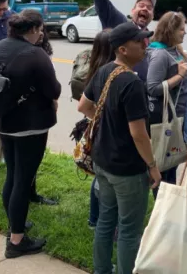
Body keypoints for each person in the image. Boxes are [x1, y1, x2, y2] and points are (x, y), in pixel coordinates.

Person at [77, 23, 162, 274]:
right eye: (140, 42)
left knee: (106, 220)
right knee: (129, 230)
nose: (145, 45)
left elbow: (83, 105)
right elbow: (139, 134)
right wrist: (153, 166)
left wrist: (106, 125)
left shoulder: (104, 70)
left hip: (103, 161)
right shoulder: (131, 83)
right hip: (127, 169)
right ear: (123, 49)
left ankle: (102, 270)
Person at [0, 10, 61, 258]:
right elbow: (54, 89)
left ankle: (15, 223)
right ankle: (16, 241)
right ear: (32, 29)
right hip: (31, 124)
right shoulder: (36, 55)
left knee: (14, 175)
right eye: (39, 30)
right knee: (22, 180)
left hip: (3, 121)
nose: (41, 34)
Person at [147, 11, 187, 192]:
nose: (184, 33)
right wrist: (179, 76)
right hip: (167, 119)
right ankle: (163, 209)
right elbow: (152, 88)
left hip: (177, 117)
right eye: (181, 29)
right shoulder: (160, 55)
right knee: (165, 167)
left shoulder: (174, 50)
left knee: (171, 164)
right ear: (171, 30)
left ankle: (165, 206)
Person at [82, 29, 115, 229]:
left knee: (99, 174)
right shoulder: (107, 71)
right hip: (104, 130)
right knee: (103, 176)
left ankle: (94, 218)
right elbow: (84, 105)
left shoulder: (95, 65)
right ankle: (97, 218)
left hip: (96, 127)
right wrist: (103, 121)